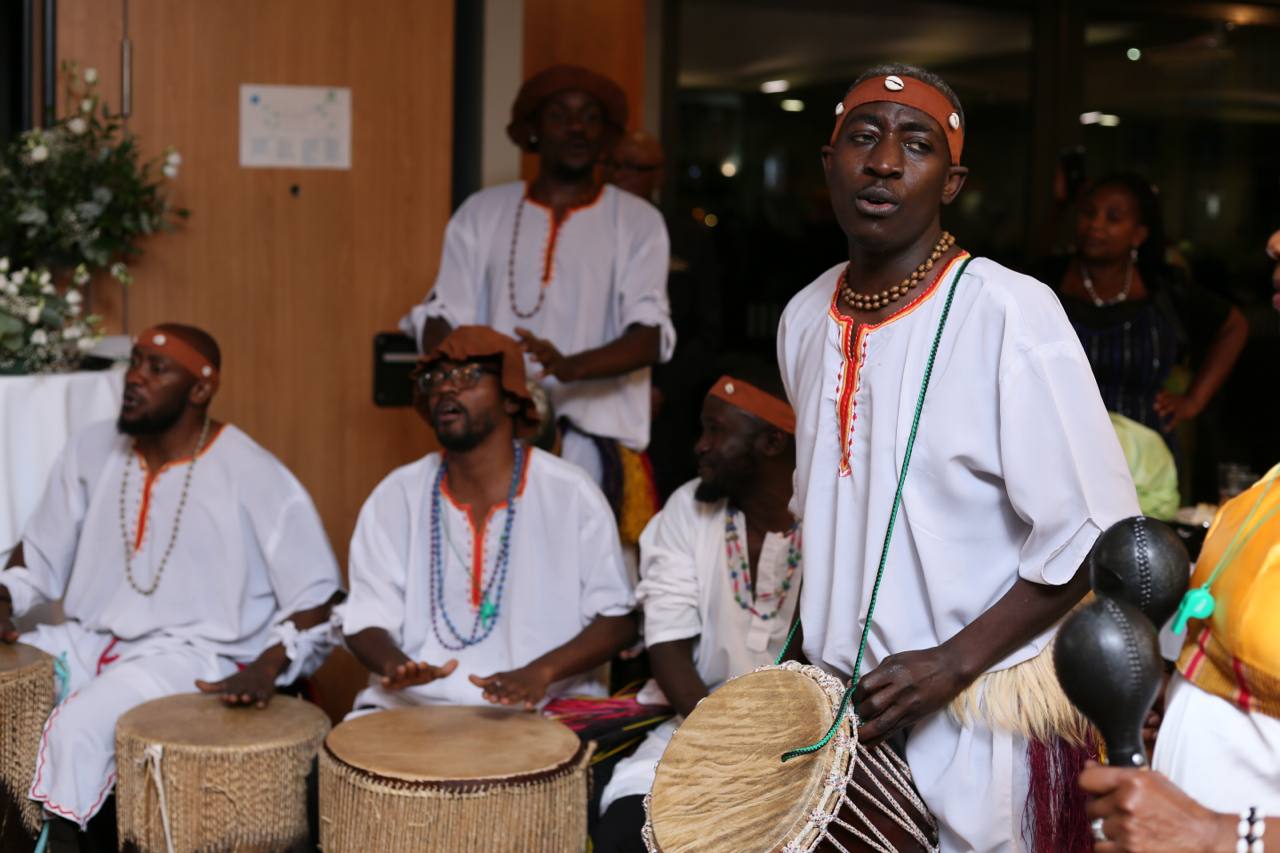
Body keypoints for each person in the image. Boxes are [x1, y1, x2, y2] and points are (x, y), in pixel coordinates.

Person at [777, 64, 1139, 851]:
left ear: (952, 181)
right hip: (850, 717)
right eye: (863, 138)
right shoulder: (804, 314)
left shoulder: (1009, 309)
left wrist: (951, 662)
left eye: (917, 144)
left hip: (981, 713)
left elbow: (1095, 534)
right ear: (828, 162)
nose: (883, 162)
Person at [0, 324, 343, 846]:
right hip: (87, 639)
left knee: (80, 728)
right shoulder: (90, 449)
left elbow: (318, 598)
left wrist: (271, 666)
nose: (135, 377)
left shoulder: (252, 471)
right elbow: (37, 559)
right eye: (134, 362)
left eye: (156, 369)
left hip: (192, 654)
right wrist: (5, 596)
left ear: (200, 390)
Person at [401, 66, 675, 505]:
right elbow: (440, 316)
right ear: (532, 131)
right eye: (558, 115)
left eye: (589, 117)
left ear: (606, 136)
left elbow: (651, 336)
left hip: (596, 447)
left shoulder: (638, 221)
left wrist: (571, 366)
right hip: (494, 443)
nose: (576, 128)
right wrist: (471, 374)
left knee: (599, 573)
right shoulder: (481, 212)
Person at [338, 326, 637, 713]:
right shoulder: (396, 496)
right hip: (413, 706)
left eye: (467, 376)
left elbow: (618, 619)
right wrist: (395, 664)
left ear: (512, 398)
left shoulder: (570, 493)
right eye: (436, 378)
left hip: (544, 706)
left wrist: (540, 672)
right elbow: (365, 616)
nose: (446, 388)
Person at [592, 367, 800, 852]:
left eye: (716, 430)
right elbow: (666, 641)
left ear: (771, 443)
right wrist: (719, 737)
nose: (700, 446)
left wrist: (767, 755)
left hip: (807, 740)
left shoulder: (830, 517)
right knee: (624, 829)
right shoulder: (689, 508)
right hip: (695, 722)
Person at [1044, 174, 1248, 450]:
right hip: (1057, 445)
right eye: (1089, 213)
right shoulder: (1045, 281)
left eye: (1113, 218)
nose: (1095, 225)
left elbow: (1234, 327)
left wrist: (1193, 401)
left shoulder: (1164, 289)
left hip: (1145, 460)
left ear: (1139, 234)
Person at [604, 130, 723, 501]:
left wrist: (662, 390)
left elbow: (711, 330)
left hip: (666, 405)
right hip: (593, 391)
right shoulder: (586, 231)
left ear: (658, 176)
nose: (622, 176)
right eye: (615, 166)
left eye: (636, 168)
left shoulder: (687, 237)